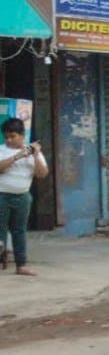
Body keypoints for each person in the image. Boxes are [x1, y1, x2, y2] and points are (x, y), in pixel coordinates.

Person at [0, 118, 49, 276]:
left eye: (12, 136)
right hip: (2, 195)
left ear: (22, 135)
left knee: (19, 231)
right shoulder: (1, 149)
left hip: (22, 196)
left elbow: (42, 174)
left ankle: (21, 265)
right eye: (6, 136)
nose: (9, 140)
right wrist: (17, 156)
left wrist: (34, 155)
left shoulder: (34, 152)